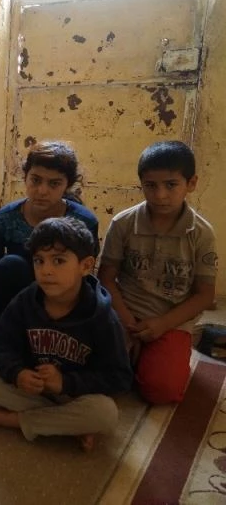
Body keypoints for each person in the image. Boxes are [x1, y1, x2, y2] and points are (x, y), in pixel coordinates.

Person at [0, 217, 132, 452]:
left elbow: (119, 377)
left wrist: (65, 382)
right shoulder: (26, 300)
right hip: (31, 388)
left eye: (59, 261)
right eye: (39, 261)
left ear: (86, 266)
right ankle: (66, 425)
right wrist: (17, 372)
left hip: (74, 394)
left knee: (106, 414)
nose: (46, 270)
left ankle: (11, 420)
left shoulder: (102, 316)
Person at [98, 141, 218, 405]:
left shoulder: (202, 233)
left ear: (191, 183)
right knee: (91, 370)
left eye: (171, 185)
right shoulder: (123, 223)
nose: (160, 195)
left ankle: (150, 358)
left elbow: (205, 295)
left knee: (162, 391)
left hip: (170, 320)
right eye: (150, 186)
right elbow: (106, 278)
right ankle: (135, 357)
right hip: (124, 314)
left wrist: (162, 325)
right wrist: (127, 322)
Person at [0, 141, 99, 327]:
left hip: (64, 300)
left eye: (54, 184)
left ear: (67, 185)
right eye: (35, 180)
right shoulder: (5, 219)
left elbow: (85, 274)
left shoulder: (83, 221)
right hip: (15, 305)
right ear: (25, 177)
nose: (42, 191)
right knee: (9, 265)